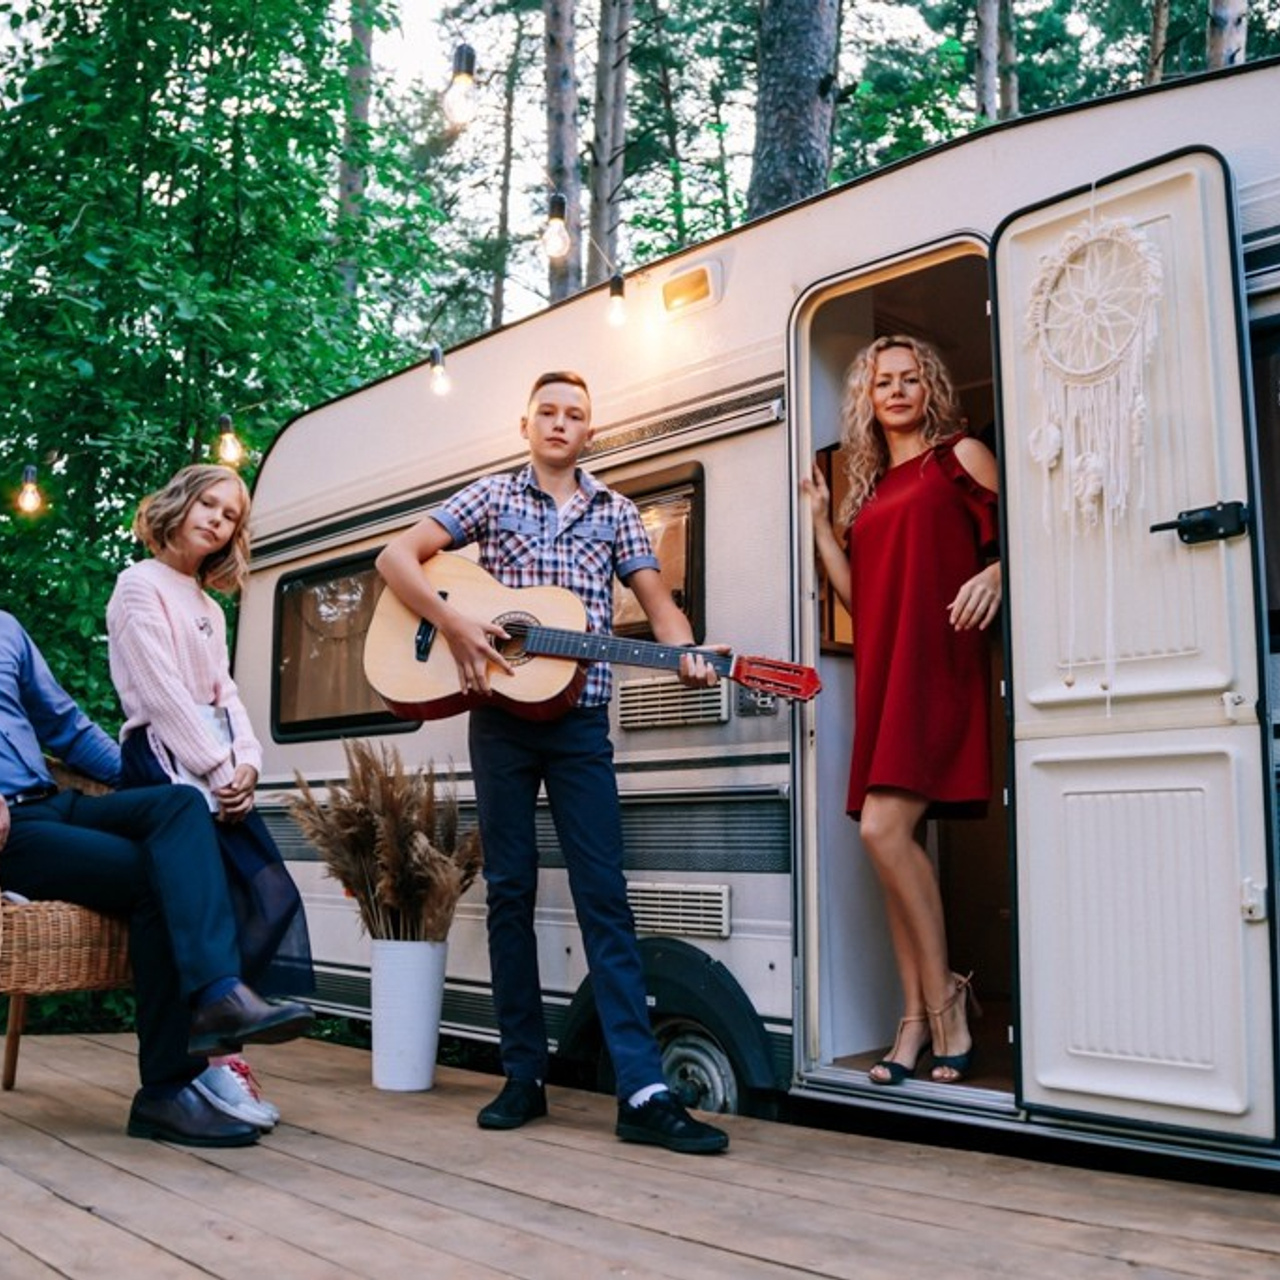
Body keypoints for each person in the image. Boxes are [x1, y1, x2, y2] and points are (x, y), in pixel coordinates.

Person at [376, 370, 730, 1155]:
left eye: (575, 414)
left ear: (590, 432)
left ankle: (642, 1090)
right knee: (510, 895)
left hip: (580, 729)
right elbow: (395, 559)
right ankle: (523, 1075)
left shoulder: (617, 512)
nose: (561, 423)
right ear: (526, 423)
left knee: (605, 898)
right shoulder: (491, 498)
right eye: (548, 412)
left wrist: (688, 655)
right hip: (500, 722)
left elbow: (662, 607)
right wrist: (458, 625)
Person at [0, 610, 313, 1146]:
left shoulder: (5, 627)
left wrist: (143, 775)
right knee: (159, 880)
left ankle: (219, 995)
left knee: (178, 803)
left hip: (53, 803)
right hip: (11, 837)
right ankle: (167, 1091)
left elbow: (64, 726)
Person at [802, 335, 1000, 1086]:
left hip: (939, 661)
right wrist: (823, 526)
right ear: (867, 398)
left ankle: (943, 998)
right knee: (887, 846)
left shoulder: (960, 457)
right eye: (883, 381)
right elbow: (863, 601)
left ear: (930, 388)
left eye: (911, 378)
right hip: (887, 671)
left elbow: (1025, 539)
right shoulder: (873, 490)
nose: (896, 390)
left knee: (885, 830)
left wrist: (1001, 572)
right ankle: (914, 1021)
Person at [106, 465, 314, 1133]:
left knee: (272, 893)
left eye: (230, 515)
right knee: (210, 896)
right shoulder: (138, 587)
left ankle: (216, 1040)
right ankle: (210, 1057)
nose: (218, 520)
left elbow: (225, 693)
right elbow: (163, 695)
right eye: (209, 504)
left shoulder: (207, 604)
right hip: (165, 758)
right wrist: (215, 766)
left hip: (217, 756)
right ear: (179, 502)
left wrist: (248, 763)